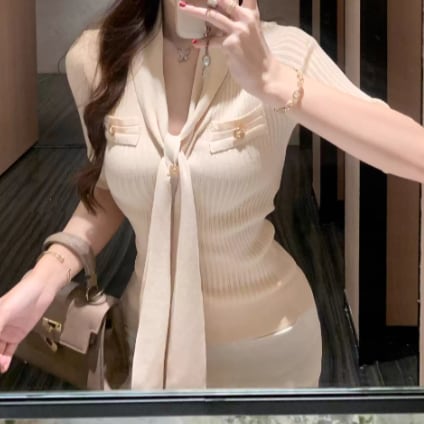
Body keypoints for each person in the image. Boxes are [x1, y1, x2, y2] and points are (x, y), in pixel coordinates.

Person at [1, 0, 424, 390]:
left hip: (270, 351)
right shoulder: (97, 57)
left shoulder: (282, 51)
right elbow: (109, 192)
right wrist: (43, 280)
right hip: (143, 345)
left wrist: (274, 81)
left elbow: (415, 154)